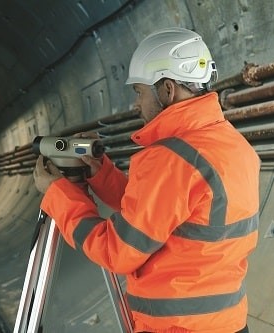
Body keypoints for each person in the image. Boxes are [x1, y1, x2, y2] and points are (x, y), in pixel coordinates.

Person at [33, 27, 259, 333]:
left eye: (139, 92)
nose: (136, 105)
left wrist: (57, 194)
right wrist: (101, 173)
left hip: (175, 327)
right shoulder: (230, 145)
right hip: (226, 322)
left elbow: (117, 251)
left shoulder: (171, 158)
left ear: (167, 89)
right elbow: (161, 216)